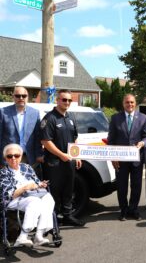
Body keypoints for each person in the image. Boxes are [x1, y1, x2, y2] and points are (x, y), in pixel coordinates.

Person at [40, 89, 84, 226]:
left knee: (68, 189)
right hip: (54, 163)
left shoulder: (70, 118)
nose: (66, 102)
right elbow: (46, 141)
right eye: (64, 99)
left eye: (69, 100)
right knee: (54, 191)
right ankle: (53, 219)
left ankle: (67, 216)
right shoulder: (49, 118)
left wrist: (77, 156)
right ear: (57, 100)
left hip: (69, 161)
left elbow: (75, 138)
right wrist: (62, 155)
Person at [0, 144, 54, 247]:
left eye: (16, 155)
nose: (13, 158)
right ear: (5, 158)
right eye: (9, 156)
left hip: (32, 195)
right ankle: (23, 237)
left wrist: (40, 184)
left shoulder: (27, 167)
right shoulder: (3, 173)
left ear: (21, 156)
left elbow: (37, 183)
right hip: (14, 200)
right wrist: (26, 187)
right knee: (35, 201)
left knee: (48, 198)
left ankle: (39, 235)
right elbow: (9, 195)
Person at [107, 94, 146, 221]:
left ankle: (134, 209)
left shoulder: (143, 118)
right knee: (122, 186)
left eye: (132, 102)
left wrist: (143, 143)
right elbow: (111, 140)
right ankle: (123, 210)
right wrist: (113, 157)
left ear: (135, 103)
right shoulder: (115, 118)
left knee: (136, 185)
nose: (129, 104)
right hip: (120, 160)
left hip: (137, 158)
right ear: (123, 103)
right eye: (127, 102)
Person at [0, 86, 43, 167]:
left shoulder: (35, 113)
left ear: (28, 97)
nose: (21, 98)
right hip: (9, 157)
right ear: (13, 97)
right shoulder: (3, 112)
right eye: (18, 96)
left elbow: (37, 137)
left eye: (24, 96)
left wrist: (39, 154)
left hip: (28, 158)